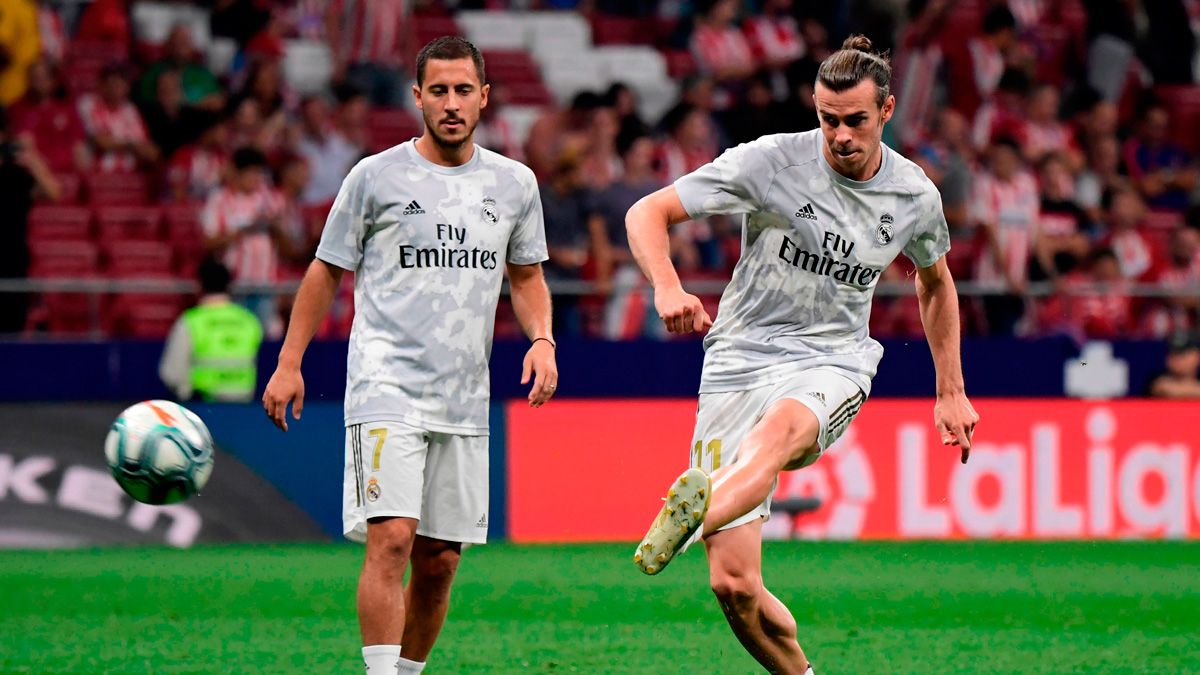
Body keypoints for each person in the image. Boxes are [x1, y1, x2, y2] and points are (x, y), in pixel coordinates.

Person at [625, 36, 978, 674]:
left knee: (780, 433)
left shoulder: (913, 195)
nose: (840, 135)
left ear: (887, 110)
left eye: (855, 121)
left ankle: (699, 507)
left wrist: (949, 389)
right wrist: (668, 286)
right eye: (827, 118)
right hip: (737, 357)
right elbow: (647, 212)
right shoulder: (770, 164)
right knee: (733, 587)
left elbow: (935, 282)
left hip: (832, 360)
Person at [261, 37, 556, 675]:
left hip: (463, 394)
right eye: (438, 91)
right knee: (391, 539)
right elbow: (324, 271)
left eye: (463, 91)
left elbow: (527, 277)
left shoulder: (514, 184)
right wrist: (290, 362)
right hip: (386, 383)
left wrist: (542, 340)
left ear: (484, 96)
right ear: (417, 97)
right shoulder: (374, 176)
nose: (451, 104)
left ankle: (407, 671)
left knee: (441, 559)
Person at [159, 257, 264, 402]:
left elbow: (171, 373)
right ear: (229, 286)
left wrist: (185, 393)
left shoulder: (191, 321)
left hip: (203, 407)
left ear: (200, 286)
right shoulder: (250, 321)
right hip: (245, 405)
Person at [1149, 332, 1200, 399]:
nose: (1176, 358)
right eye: (1173, 353)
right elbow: (1165, 389)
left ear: (1197, 356)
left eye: (1182, 354)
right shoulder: (1158, 378)